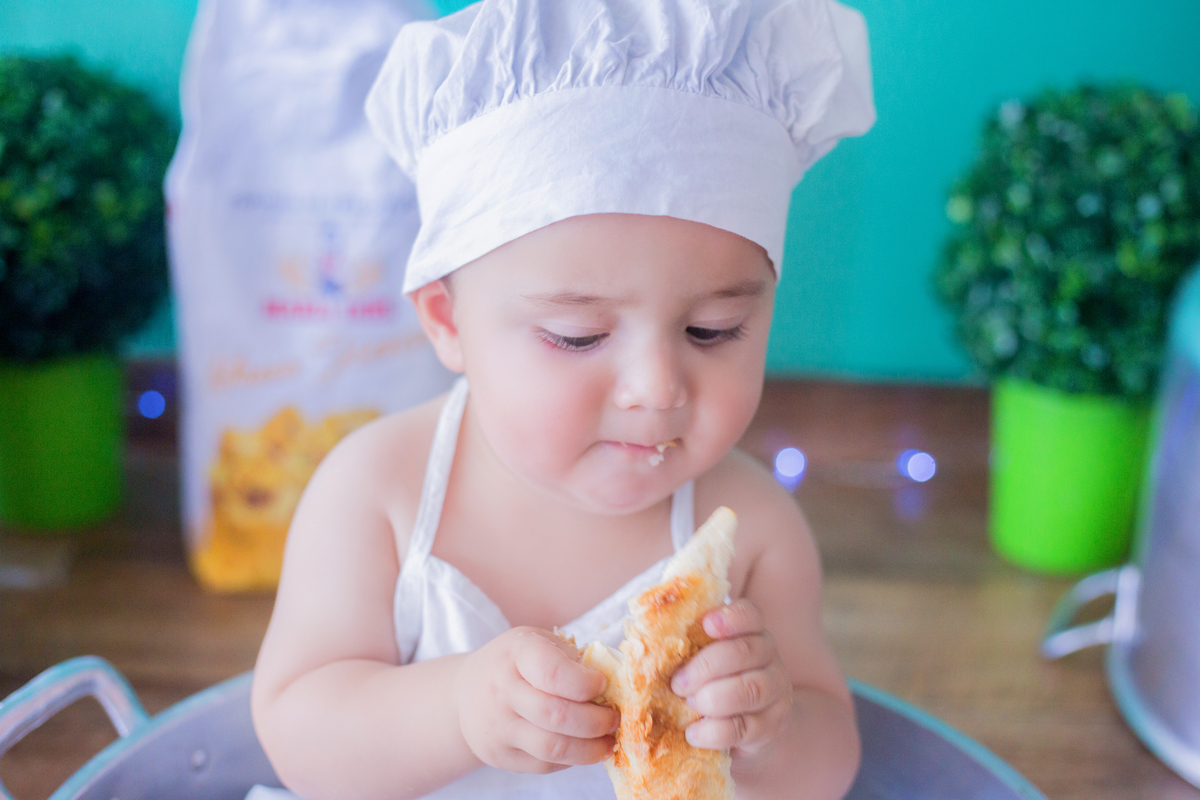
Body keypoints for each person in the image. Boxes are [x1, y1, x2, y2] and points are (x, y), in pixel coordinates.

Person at [249, 0, 875, 798]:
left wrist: (770, 729)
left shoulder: (754, 530)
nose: (656, 389)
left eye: (713, 330)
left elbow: (830, 761)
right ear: (448, 320)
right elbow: (299, 734)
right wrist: (457, 709)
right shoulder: (377, 494)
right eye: (578, 337)